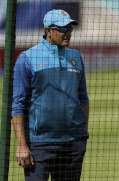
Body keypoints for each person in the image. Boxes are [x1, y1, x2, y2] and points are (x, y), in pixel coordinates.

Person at [11, 9, 89, 181]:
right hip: (40, 145)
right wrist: (22, 145)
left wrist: (82, 133)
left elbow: (83, 98)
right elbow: (18, 105)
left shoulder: (76, 57)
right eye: (62, 29)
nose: (67, 33)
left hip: (72, 144)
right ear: (48, 31)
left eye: (70, 29)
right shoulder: (27, 59)